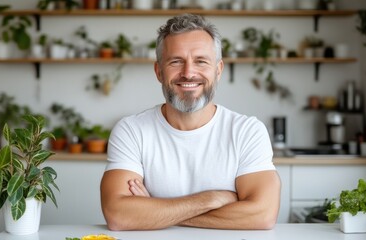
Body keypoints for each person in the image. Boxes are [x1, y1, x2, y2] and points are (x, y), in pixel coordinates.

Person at [100, 13, 281, 231]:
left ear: (218, 70)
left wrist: (154, 210)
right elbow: (119, 215)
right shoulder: (132, 130)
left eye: (201, 61)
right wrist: (212, 199)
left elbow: (262, 215)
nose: (188, 73)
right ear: (159, 71)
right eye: (176, 61)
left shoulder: (247, 131)